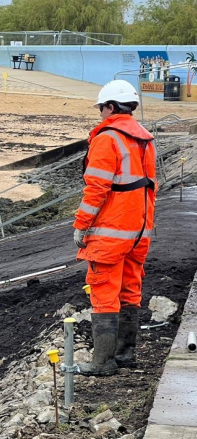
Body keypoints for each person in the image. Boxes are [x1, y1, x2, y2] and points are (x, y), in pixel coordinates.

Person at [73, 80, 156, 376]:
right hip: (140, 231)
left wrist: (81, 225)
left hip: (112, 231)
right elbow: (148, 186)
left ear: (110, 107)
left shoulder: (108, 138)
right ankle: (125, 355)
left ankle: (103, 362)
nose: (100, 114)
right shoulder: (143, 139)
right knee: (130, 289)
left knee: (104, 292)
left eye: (101, 108)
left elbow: (97, 188)